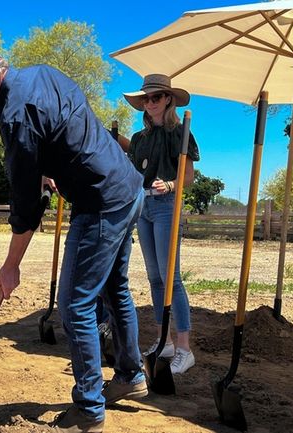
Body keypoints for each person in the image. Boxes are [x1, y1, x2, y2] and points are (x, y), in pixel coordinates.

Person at [0, 41, 146, 433]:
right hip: (129, 188)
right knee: (115, 290)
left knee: (75, 305)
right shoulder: (42, 73)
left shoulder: (15, 117)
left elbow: (25, 205)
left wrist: (11, 265)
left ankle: (88, 409)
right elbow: (70, 126)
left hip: (100, 202)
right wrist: (50, 165)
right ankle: (130, 375)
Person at [122, 74, 199, 375]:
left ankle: (184, 348)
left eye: (156, 97)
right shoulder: (140, 139)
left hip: (167, 206)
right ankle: (163, 340)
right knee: (155, 278)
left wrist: (169, 184)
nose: (150, 102)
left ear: (168, 99)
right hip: (144, 206)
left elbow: (189, 178)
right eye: (146, 98)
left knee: (171, 278)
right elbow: (134, 164)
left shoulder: (179, 133)